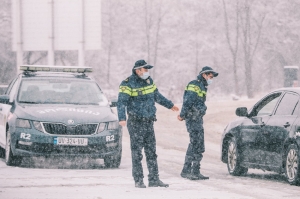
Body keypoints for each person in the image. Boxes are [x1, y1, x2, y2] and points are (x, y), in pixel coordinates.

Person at [117, 60, 179, 188]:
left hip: (149, 122)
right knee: (137, 153)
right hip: (136, 122)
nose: (147, 72)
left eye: (147, 70)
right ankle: (138, 180)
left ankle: (154, 179)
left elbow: (157, 96)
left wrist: (170, 105)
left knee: (151, 152)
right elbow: (121, 102)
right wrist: (122, 117)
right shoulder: (127, 83)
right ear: (137, 70)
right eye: (145, 70)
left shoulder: (149, 81)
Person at [177, 66, 218, 180]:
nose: (211, 79)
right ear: (204, 74)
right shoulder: (195, 84)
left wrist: (202, 110)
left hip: (197, 118)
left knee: (199, 144)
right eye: (210, 76)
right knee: (194, 142)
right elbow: (188, 101)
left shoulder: (203, 86)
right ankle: (186, 170)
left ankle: (195, 171)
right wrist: (182, 114)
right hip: (192, 118)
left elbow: (199, 103)